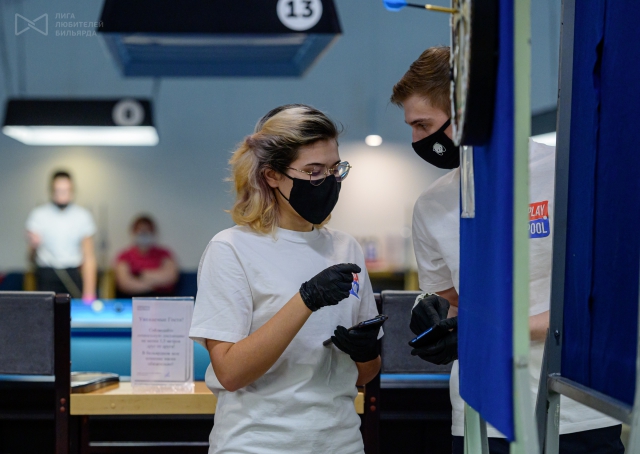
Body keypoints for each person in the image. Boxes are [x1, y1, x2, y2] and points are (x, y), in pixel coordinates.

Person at [391, 47, 623, 453]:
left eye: (424, 124)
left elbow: (602, 303)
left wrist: (489, 330)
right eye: (412, 126)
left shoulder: (569, 176)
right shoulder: (432, 205)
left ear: (467, 111)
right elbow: (451, 301)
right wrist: (436, 321)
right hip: (479, 413)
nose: (417, 140)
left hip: (575, 411)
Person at [189, 104, 382, 454]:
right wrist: (306, 300)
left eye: (335, 169)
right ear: (272, 175)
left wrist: (367, 352)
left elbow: (362, 375)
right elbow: (230, 373)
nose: (328, 181)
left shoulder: (346, 248)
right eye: (313, 171)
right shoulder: (230, 249)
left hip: (340, 442)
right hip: (257, 445)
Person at [26, 170, 97, 301]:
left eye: (65, 190)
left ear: (72, 190)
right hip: (46, 274)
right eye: (58, 190)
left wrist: (89, 293)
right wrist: (34, 246)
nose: (62, 194)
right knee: (46, 312)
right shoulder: (38, 215)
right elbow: (30, 258)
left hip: (72, 274)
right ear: (51, 190)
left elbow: (89, 257)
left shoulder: (83, 216)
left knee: (74, 311)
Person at [114, 215, 179, 297]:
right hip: (132, 300)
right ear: (133, 232)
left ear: (153, 232)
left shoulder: (164, 253)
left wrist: (143, 275)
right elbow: (125, 284)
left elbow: (171, 277)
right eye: (140, 230)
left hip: (162, 299)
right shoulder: (124, 256)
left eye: (147, 230)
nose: (144, 233)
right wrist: (154, 284)